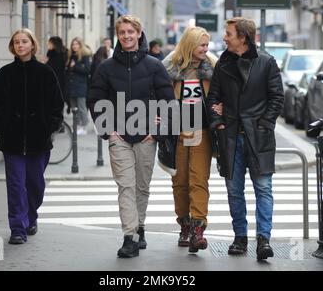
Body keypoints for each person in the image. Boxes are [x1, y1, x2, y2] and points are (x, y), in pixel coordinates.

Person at [87, 15, 175, 258]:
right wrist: (107, 130)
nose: (126, 36)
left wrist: (157, 130)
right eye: (122, 32)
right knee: (125, 186)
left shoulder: (154, 65)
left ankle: (140, 226)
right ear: (118, 35)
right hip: (119, 137)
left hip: (147, 136)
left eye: (130, 32)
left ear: (139, 33)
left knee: (141, 186)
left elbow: (168, 102)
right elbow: (95, 100)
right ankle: (129, 237)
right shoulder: (106, 67)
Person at [206, 17, 284, 260]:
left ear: (243, 37)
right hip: (230, 137)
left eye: (229, 33)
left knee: (263, 188)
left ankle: (264, 240)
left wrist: (263, 124)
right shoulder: (222, 64)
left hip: (257, 137)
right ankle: (240, 237)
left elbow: (277, 98)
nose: (225, 37)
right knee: (234, 190)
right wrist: (217, 121)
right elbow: (212, 99)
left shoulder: (266, 63)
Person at [0, 28, 64, 245]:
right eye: (16, 42)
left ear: (32, 44)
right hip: (12, 141)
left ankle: (31, 216)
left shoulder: (45, 73)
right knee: (15, 184)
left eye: (24, 41)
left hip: (39, 141)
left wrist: (49, 127)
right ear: (13, 46)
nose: (20, 45)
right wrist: (1, 126)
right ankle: (17, 227)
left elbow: (57, 105)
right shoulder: (4, 73)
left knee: (35, 184)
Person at [162, 26, 221, 253]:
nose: (205, 49)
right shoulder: (171, 69)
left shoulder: (213, 69)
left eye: (207, 45)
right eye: (201, 45)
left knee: (199, 180)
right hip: (177, 131)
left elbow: (219, 96)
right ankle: (184, 225)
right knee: (180, 181)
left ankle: (198, 229)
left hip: (202, 130)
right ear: (189, 45)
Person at [66, 37, 92, 135]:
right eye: (73, 44)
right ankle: (77, 125)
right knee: (74, 108)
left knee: (81, 107)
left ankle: (84, 126)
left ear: (80, 45)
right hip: (72, 86)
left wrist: (75, 65)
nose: (74, 46)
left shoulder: (85, 56)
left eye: (76, 44)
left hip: (80, 86)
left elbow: (87, 70)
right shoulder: (71, 56)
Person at [46, 36, 69, 112]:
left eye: (50, 43)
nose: (48, 44)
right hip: (54, 81)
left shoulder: (58, 55)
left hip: (58, 82)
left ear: (55, 44)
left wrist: (44, 64)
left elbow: (52, 68)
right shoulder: (53, 54)